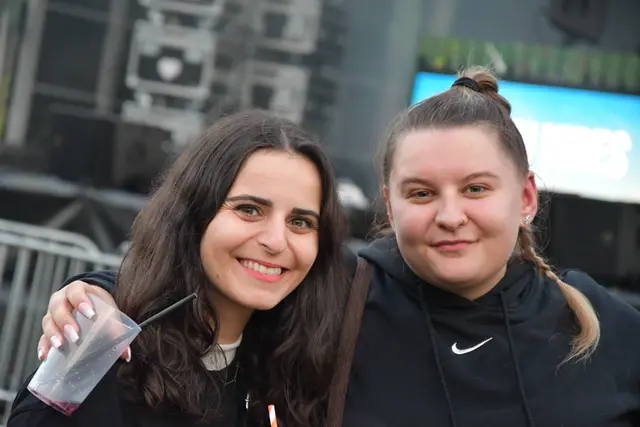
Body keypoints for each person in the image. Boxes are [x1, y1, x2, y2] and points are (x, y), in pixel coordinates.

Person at [28, 68, 640, 427]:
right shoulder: (337, 296)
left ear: (526, 197)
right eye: (421, 192)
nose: (450, 215)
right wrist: (97, 298)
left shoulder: (612, 331)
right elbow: (208, 293)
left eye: (477, 188)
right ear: (389, 205)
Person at [8, 110, 349, 427]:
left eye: (301, 222)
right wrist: (99, 294)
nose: (276, 241)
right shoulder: (104, 348)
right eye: (249, 209)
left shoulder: (300, 374)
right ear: (193, 215)